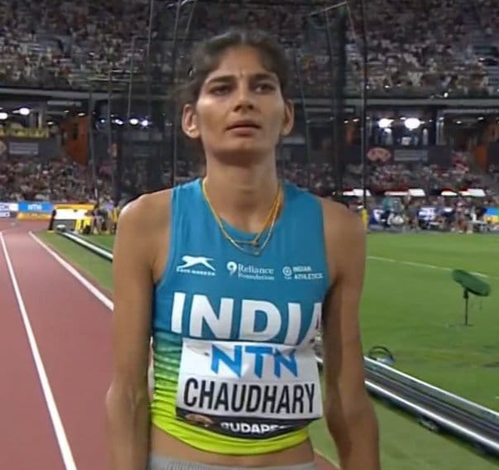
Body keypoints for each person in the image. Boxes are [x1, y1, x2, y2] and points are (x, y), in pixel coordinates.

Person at [106, 29, 380, 470]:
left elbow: (348, 397)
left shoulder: (337, 231)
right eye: (222, 88)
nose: (244, 101)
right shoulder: (148, 222)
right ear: (191, 119)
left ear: (286, 116)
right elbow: (129, 393)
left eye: (262, 86)